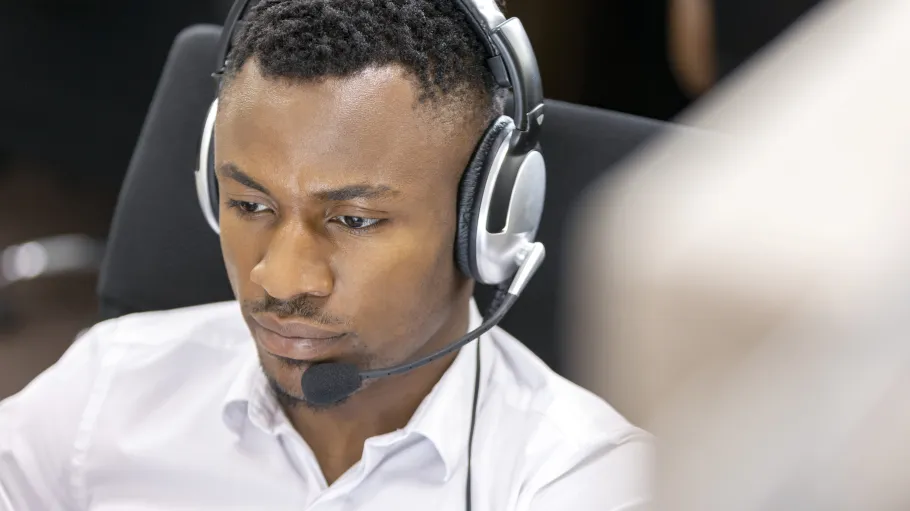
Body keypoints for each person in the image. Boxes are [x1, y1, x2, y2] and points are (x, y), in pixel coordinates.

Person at [0, 1, 652, 510]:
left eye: (354, 219)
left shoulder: (581, 479)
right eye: (251, 205)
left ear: (485, 221)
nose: (280, 279)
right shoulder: (110, 385)